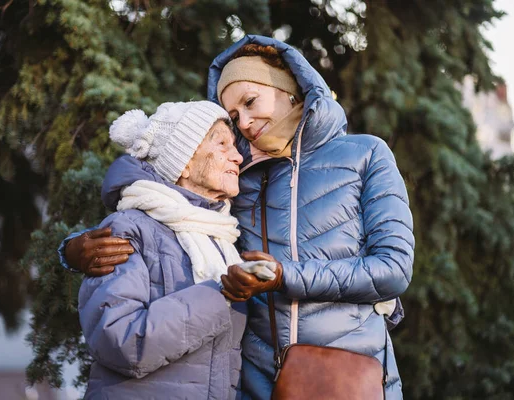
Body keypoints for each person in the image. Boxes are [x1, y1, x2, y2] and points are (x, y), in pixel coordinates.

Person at [64, 35, 414, 399]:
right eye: (233, 117)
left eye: (250, 102)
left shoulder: (365, 155)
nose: (244, 123)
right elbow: (168, 204)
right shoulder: (238, 178)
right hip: (255, 383)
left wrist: (283, 276)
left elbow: (394, 268)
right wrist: (72, 251)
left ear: (289, 88)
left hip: (346, 376)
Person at [78, 101, 251, 399]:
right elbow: (120, 340)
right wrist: (218, 295)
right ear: (183, 161)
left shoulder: (222, 238)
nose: (237, 157)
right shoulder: (128, 228)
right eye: (222, 144)